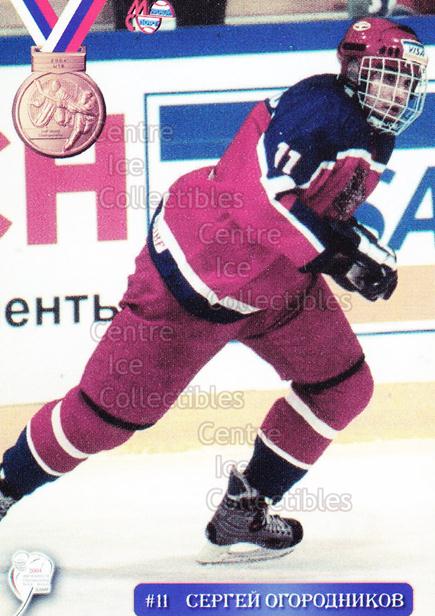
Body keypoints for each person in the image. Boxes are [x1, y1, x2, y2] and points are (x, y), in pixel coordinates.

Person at [0, 18, 428, 563]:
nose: (397, 92)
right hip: (196, 281)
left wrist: (352, 247)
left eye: (405, 81)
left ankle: (244, 510)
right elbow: (260, 198)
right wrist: (338, 255)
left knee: (343, 386)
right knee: (102, 419)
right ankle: (5, 485)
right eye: (386, 77)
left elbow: (310, 206)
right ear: (352, 69)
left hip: (277, 284)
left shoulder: (374, 133)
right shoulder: (320, 110)